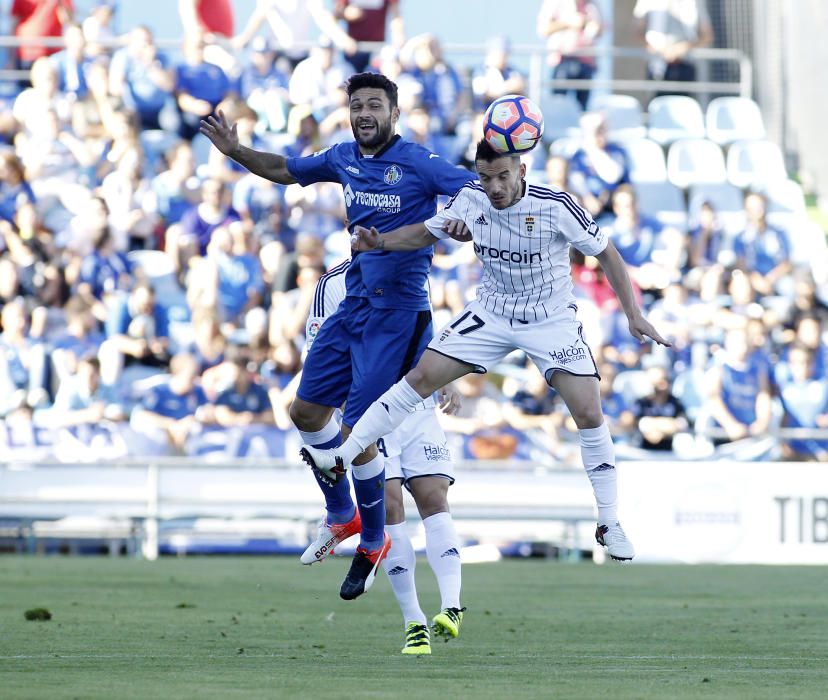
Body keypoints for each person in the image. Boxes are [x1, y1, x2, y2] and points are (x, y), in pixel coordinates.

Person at [302, 139, 671, 561]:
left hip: (549, 319)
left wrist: (633, 314)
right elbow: (423, 232)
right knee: (419, 378)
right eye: (485, 177)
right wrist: (380, 241)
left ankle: (609, 522)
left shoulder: (557, 205)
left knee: (588, 411)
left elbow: (607, 253)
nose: (494, 187)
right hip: (492, 314)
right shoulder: (471, 200)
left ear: (521, 172)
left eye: (502, 176)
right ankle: (344, 456)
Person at [199, 72, 475, 599]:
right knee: (303, 414)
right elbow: (283, 169)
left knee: (356, 433)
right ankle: (342, 514)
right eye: (357, 105)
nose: (364, 112)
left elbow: (470, 187)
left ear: (394, 113)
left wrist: (460, 218)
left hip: (398, 315)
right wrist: (236, 151)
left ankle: (373, 541)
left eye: (375, 104)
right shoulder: (342, 157)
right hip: (353, 304)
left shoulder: (417, 162)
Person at [301, 259, 465, 654]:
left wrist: (448, 378)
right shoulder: (332, 284)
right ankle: (414, 622)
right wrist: (353, 413)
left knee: (434, 499)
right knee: (391, 507)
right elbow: (320, 352)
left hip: (417, 406)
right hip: (371, 413)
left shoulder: (407, 273)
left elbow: (426, 336)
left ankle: (452, 606)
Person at [633, 0, 713, 94]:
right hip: (657, 66)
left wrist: (683, 48)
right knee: (656, 103)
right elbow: (638, 32)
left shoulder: (694, 3)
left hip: (685, 65)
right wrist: (660, 50)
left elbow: (707, 35)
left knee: (684, 104)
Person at [537, 0, 603, 110]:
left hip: (586, 63)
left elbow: (601, 31)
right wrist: (567, 23)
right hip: (563, 60)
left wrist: (592, 27)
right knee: (558, 105)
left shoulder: (593, 4)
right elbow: (543, 29)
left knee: (582, 109)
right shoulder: (554, 3)